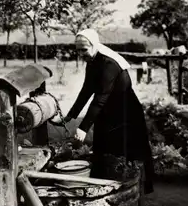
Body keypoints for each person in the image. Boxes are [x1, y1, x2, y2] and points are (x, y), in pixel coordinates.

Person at [63, 28, 154, 194]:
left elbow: (100, 97)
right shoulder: (92, 61)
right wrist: (71, 115)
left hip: (126, 110)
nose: (81, 54)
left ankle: (138, 187)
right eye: (78, 50)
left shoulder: (108, 63)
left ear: (94, 45)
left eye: (84, 50)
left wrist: (83, 128)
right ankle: (105, 185)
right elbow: (87, 90)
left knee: (132, 149)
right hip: (108, 108)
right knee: (103, 146)